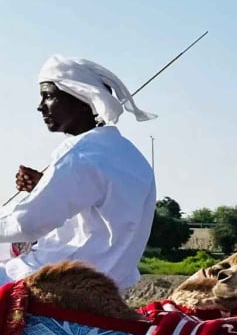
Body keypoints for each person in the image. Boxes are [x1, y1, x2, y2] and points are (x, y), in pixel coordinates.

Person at [2, 56, 156, 290]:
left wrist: (44, 193)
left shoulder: (81, 154)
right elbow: (96, 215)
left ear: (83, 99)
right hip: (111, 284)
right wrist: (44, 186)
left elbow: (28, 223)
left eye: (49, 96)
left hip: (59, 280)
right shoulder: (129, 155)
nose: (41, 106)